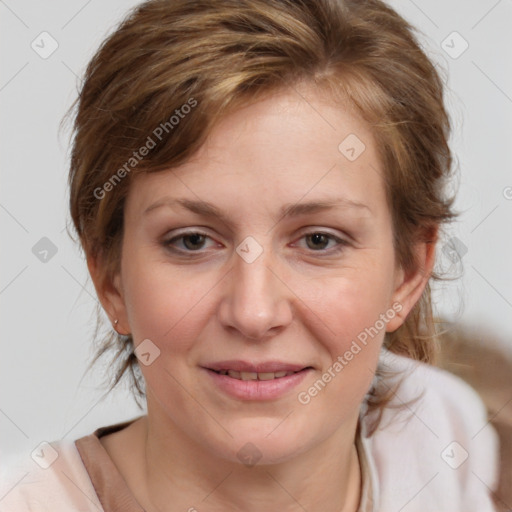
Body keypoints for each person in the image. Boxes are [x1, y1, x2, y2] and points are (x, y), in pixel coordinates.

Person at [0, 0, 500, 510]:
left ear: (408, 273)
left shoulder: (453, 448)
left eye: (318, 240)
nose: (254, 313)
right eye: (192, 241)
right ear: (109, 276)